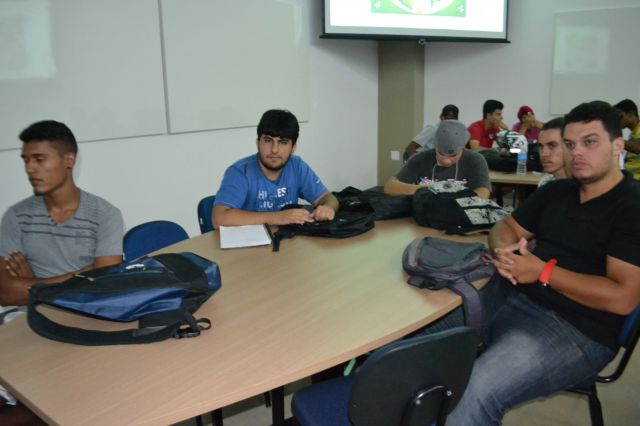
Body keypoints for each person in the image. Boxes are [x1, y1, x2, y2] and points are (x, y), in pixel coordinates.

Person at [426, 101, 640, 425]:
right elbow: (505, 227)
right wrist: (505, 251)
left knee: (475, 391)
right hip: (508, 294)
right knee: (413, 346)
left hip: (576, 328)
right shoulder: (558, 191)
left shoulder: (631, 206)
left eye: (590, 142)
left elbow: (622, 298)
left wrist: (542, 271)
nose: (577, 152)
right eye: (570, 144)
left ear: (618, 145)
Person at [0, 120, 124, 423]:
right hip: (26, 321)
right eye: (26, 160)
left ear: (69, 160)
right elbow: (5, 293)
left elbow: (104, 285)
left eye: (39, 159)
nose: (30, 169)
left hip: (85, 318)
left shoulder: (104, 215)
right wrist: (81, 274)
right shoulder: (16, 217)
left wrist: (31, 283)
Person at [213, 109, 339, 228]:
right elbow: (218, 219)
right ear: (258, 143)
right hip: (249, 242)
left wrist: (328, 208)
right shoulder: (240, 171)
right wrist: (278, 217)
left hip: (286, 240)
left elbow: (328, 198)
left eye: (283, 142)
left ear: (293, 147)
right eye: (268, 140)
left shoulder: (297, 166)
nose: (274, 150)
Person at [384, 120, 491, 198]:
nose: (446, 160)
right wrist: (429, 190)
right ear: (435, 146)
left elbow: (483, 192)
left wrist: (451, 197)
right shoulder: (421, 158)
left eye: (453, 156)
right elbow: (390, 187)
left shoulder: (475, 160)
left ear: (462, 149)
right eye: (441, 154)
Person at [536, 117, 571, 187]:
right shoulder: (545, 183)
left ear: (570, 146)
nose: (544, 154)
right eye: (541, 146)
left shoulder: (585, 187)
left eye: (552, 146)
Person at [613, 99, 640, 179]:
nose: (618, 120)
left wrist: (613, 138)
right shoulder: (633, 133)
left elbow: (638, 148)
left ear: (631, 114)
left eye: (620, 116)